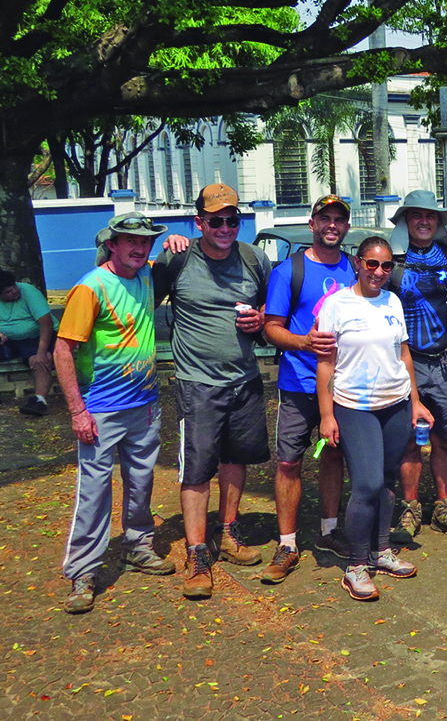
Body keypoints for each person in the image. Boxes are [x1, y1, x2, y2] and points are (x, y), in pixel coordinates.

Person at [154, 183, 271, 599]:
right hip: (197, 383)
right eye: (215, 220)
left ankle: (228, 531)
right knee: (197, 468)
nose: (225, 228)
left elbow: (270, 311)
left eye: (231, 220)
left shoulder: (254, 259)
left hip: (245, 379)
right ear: (199, 222)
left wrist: (260, 320)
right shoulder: (178, 258)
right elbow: (133, 290)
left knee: (236, 458)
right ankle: (197, 554)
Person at [54, 213, 175, 614]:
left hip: (144, 404)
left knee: (141, 483)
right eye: (131, 241)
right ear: (112, 244)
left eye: (146, 241)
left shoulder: (146, 275)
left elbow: (174, 256)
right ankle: (83, 572)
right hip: (101, 409)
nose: (140, 248)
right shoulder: (90, 288)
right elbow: (62, 350)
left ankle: (138, 545)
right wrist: (78, 411)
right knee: (94, 493)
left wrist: (178, 241)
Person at [316, 236, 432, 600]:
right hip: (354, 405)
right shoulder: (336, 304)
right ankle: (355, 565)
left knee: (386, 480)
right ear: (358, 263)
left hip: (395, 403)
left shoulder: (392, 301)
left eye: (386, 266)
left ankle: (381, 551)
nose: (379, 272)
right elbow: (325, 363)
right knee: (366, 484)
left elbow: (404, 354)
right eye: (372, 264)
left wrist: (415, 401)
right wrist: (326, 415)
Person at [258, 194, 357, 583]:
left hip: (341, 384)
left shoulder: (355, 268)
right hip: (298, 383)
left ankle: (330, 531)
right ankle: (287, 543)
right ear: (312, 223)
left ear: (346, 226)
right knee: (289, 462)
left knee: (333, 454)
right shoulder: (289, 271)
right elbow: (271, 328)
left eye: (339, 219)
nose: (332, 225)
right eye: (325, 218)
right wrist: (303, 342)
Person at [386, 190, 447, 543]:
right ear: (405, 220)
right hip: (405, 361)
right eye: (416, 215)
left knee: (445, 439)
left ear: (438, 222)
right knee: (409, 440)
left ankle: (444, 508)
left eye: (430, 216)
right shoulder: (392, 260)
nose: (424, 221)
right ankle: (410, 509)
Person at [0, 270, 57, 415]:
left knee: (40, 360)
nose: (14, 291)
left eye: (14, 287)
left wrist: (42, 352)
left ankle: (39, 400)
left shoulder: (29, 292)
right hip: (7, 341)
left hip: (35, 337)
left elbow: (46, 324)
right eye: (8, 292)